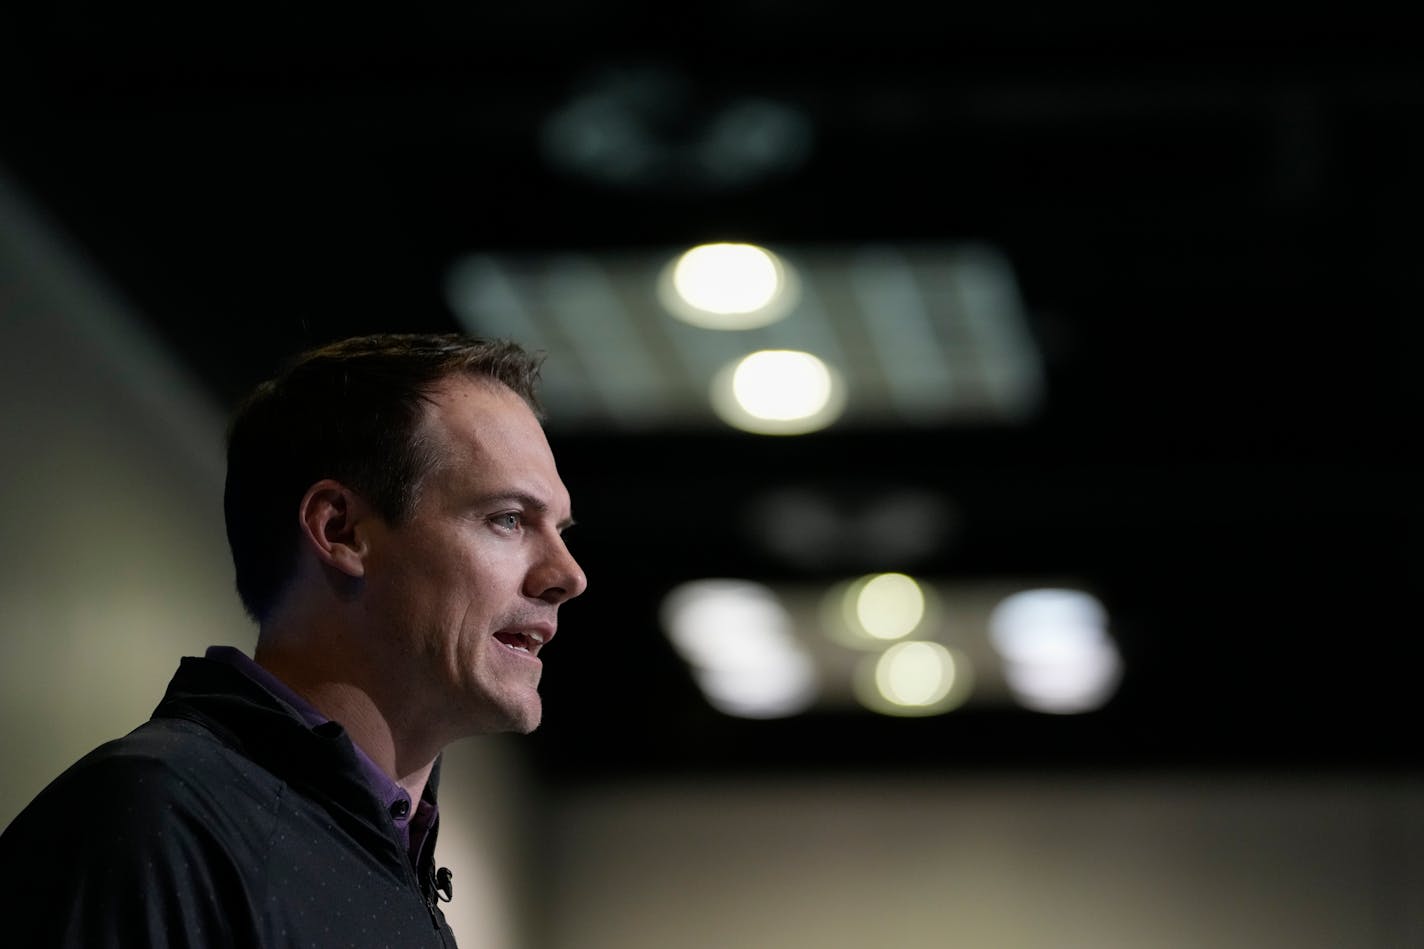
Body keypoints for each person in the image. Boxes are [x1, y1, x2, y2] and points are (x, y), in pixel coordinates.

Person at [0, 333, 588, 947]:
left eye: (561, 529)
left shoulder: (378, 855)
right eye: (508, 519)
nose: (569, 576)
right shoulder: (158, 821)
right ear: (341, 530)